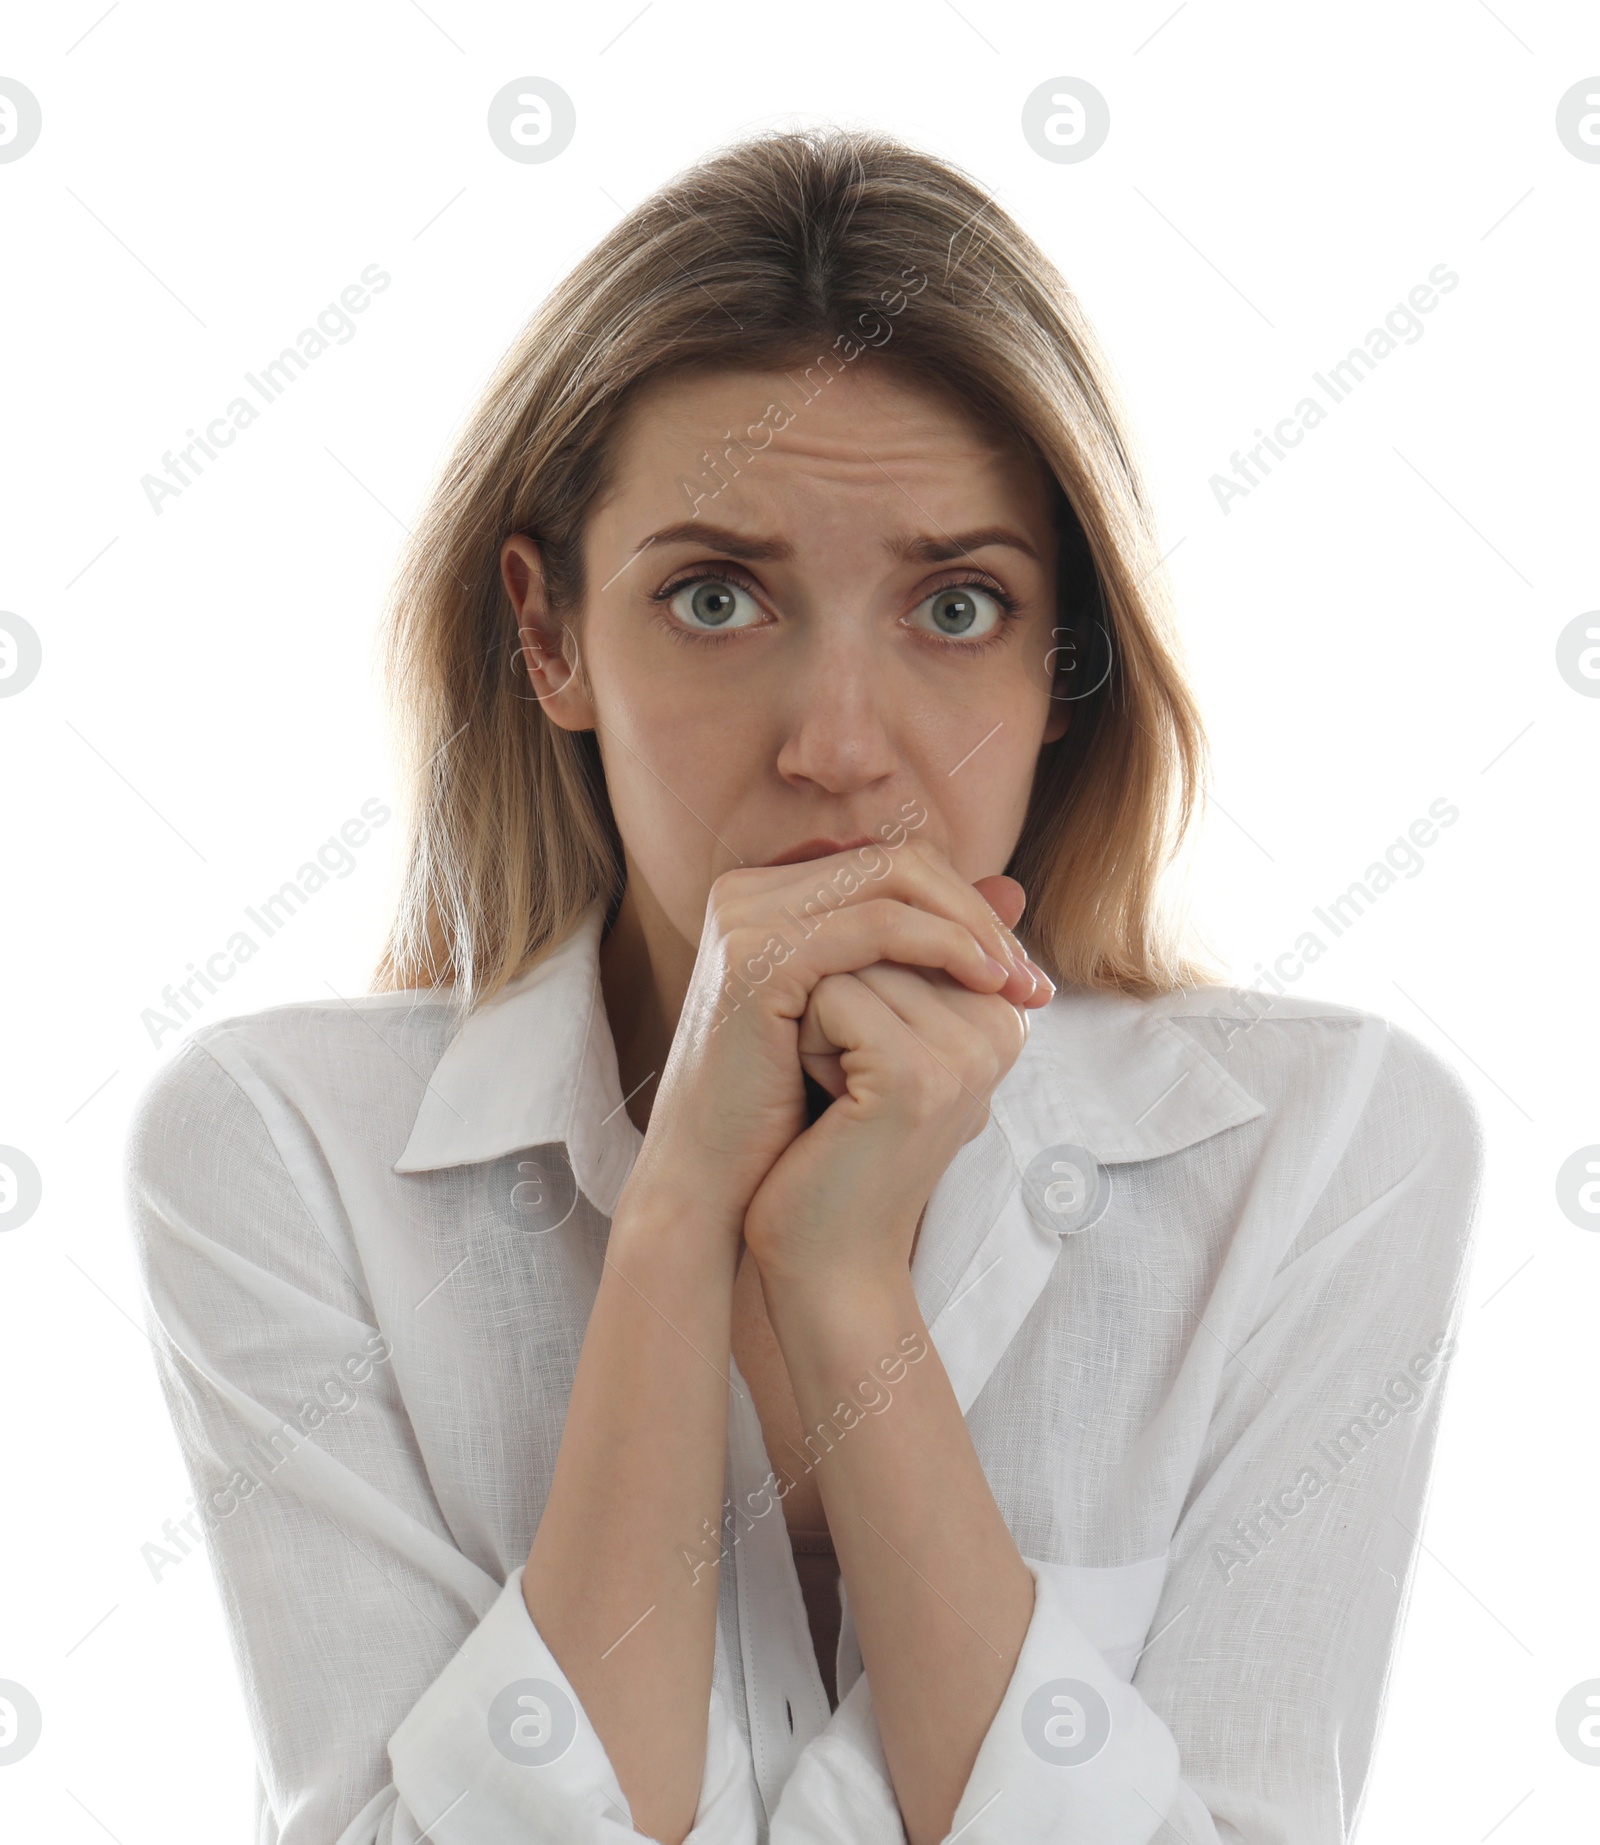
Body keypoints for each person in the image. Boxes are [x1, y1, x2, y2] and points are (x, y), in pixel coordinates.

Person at [125, 126, 1485, 1845]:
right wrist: (679, 1212)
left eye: (958, 605)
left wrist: (841, 1274)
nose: (841, 752)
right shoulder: (280, 1151)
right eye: (715, 596)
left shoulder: (1329, 1147)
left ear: (1070, 662)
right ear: (550, 637)